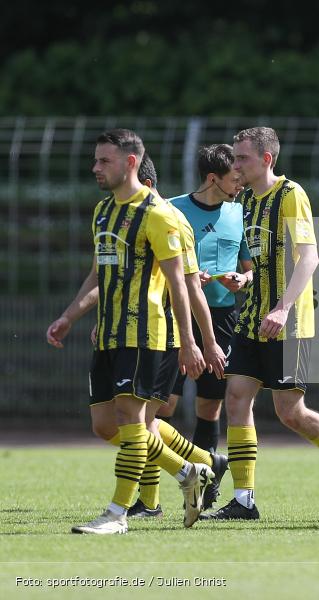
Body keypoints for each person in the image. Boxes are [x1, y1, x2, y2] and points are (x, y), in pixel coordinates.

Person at [203, 127, 319, 521]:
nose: (236, 165)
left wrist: (281, 309)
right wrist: (241, 279)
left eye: (242, 158)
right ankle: (244, 500)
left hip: (290, 322)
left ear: (266, 159)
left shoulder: (290, 195)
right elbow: (253, 262)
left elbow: (309, 258)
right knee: (236, 398)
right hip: (251, 319)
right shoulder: (244, 199)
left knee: (290, 412)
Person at [46, 129, 212, 534]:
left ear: (131, 162)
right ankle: (190, 471)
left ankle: (117, 514)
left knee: (132, 419)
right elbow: (98, 273)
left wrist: (190, 342)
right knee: (105, 426)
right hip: (108, 334)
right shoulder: (103, 211)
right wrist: (70, 316)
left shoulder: (158, 214)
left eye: (104, 161)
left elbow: (179, 283)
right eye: (96, 160)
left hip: (146, 334)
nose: (95, 168)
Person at [79, 153, 231, 521]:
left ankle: (145, 502)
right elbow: (107, 274)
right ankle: (201, 463)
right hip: (121, 331)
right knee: (114, 424)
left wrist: (201, 342)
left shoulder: (168, 218)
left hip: (156, 333)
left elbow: (190, 287)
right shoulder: (111, 214)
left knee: (140, 419)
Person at [157, 145, 251, 505]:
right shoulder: (173, 210)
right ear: (214, 179)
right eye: (234, 179)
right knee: (161, 406)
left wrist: (243, 281)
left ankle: (206, 485)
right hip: (176, 315)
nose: (240, 185)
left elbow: (249, 268)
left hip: (221, 318)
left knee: (210, 407)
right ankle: (197, 467)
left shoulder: (238, 212)